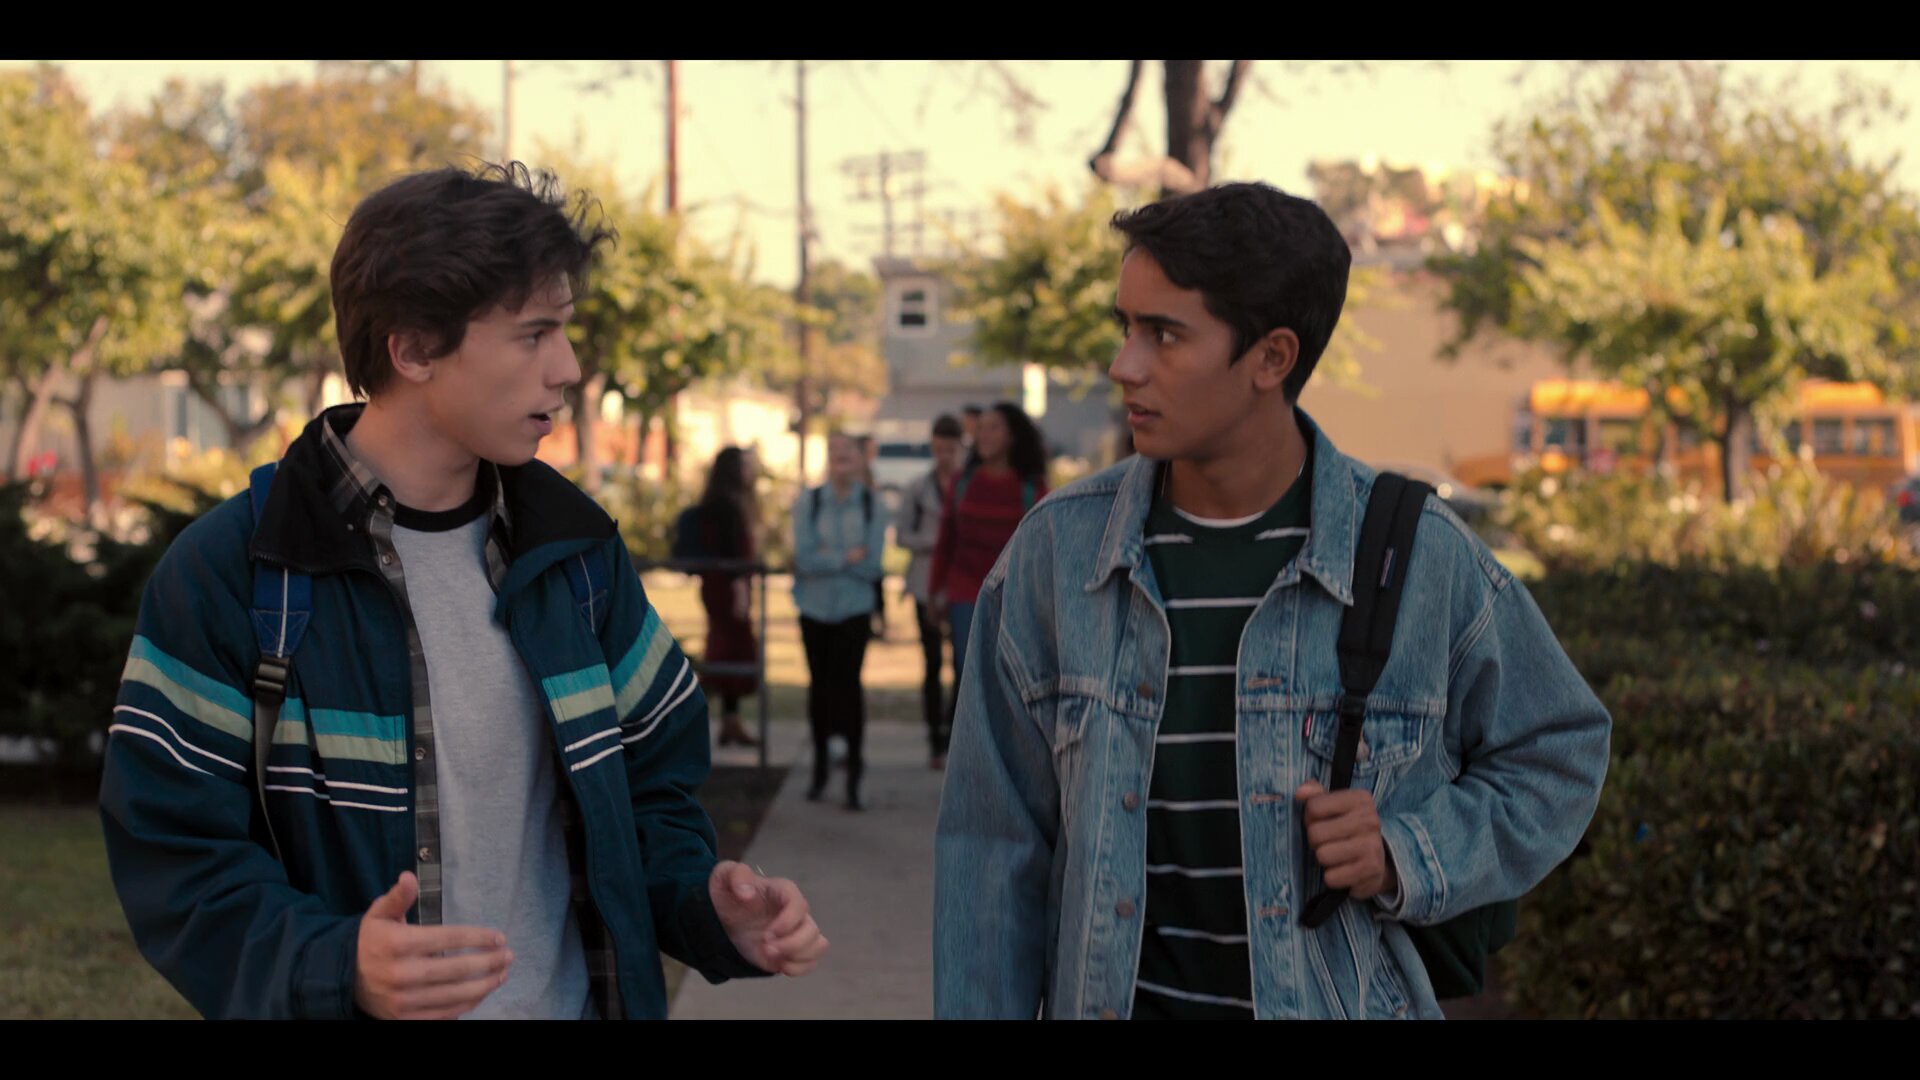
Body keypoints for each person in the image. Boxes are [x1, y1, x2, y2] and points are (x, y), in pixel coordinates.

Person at [98, 162, 827, 1021]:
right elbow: (175, 858)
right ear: (412, 349)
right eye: (534, 333)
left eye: (565, 330)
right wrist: (336, 965)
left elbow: (651, 797)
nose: (568, 367)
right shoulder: (237, 571)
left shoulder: (578, 557)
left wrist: (709, 910)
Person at [932, 182, 1610, 1020]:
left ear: (1271, 358)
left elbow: (1559, 749)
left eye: (1164, 334)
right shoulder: (1056, 556)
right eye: (1125, 327)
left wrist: (1408, 852)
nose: (1124, 365)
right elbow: (990, 854)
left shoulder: (1417, 556)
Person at [928, 402, 1049, 750]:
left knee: (1011, 679)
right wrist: (934, 592)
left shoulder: (1032, 487)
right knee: (970, 673)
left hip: (1016, 597)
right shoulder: (963, 483)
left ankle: (1008, 751)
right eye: (980, 428)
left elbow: (1044, 549)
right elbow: (946, 542)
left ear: (1012, 435)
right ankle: (972, 750)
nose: (984, 435)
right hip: (966, 592)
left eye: (993, 427)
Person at [791, 432, 888, 811]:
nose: (840, 457)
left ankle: (854, 772)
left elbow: (873, 565)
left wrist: (828, 557)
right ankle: (819, 767)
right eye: (834, 451)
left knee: (849, 688)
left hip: (854, 608)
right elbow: (803, 558)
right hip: (814, 608)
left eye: (847, 451)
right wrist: (846, 558)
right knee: (819, 688)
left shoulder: (873, 505)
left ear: (860, 458)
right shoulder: (809, 501)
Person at [893, 414, 968, 768]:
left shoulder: (969, 485)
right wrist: (935, 541)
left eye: (951, 449)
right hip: (926, 584)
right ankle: (935, 740)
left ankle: (955, 735)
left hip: (962, 584)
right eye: (939, 449)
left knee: (963, 664)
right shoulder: (918, 488)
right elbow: (902, 535)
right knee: (932, 662)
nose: (945, 457)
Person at [690, 446, 763, 748]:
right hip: (728, 588)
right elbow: (732, 551)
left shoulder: (716, 502)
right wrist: (740, 589)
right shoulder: (728, 506)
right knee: (729, 651)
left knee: (726, 648)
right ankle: (696, 709)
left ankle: (730, 720)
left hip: (717, 586)